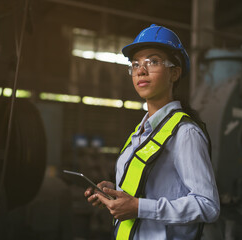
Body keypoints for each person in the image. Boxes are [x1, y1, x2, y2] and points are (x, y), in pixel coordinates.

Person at [84, 24, 220, 240]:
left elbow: (208, 205)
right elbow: (149, 190)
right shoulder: (140, 134)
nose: (141, 70)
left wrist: (139, 207)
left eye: (153, 62)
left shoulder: (185, 133)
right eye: (135, 64)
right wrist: (114, 191)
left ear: (174, 73)